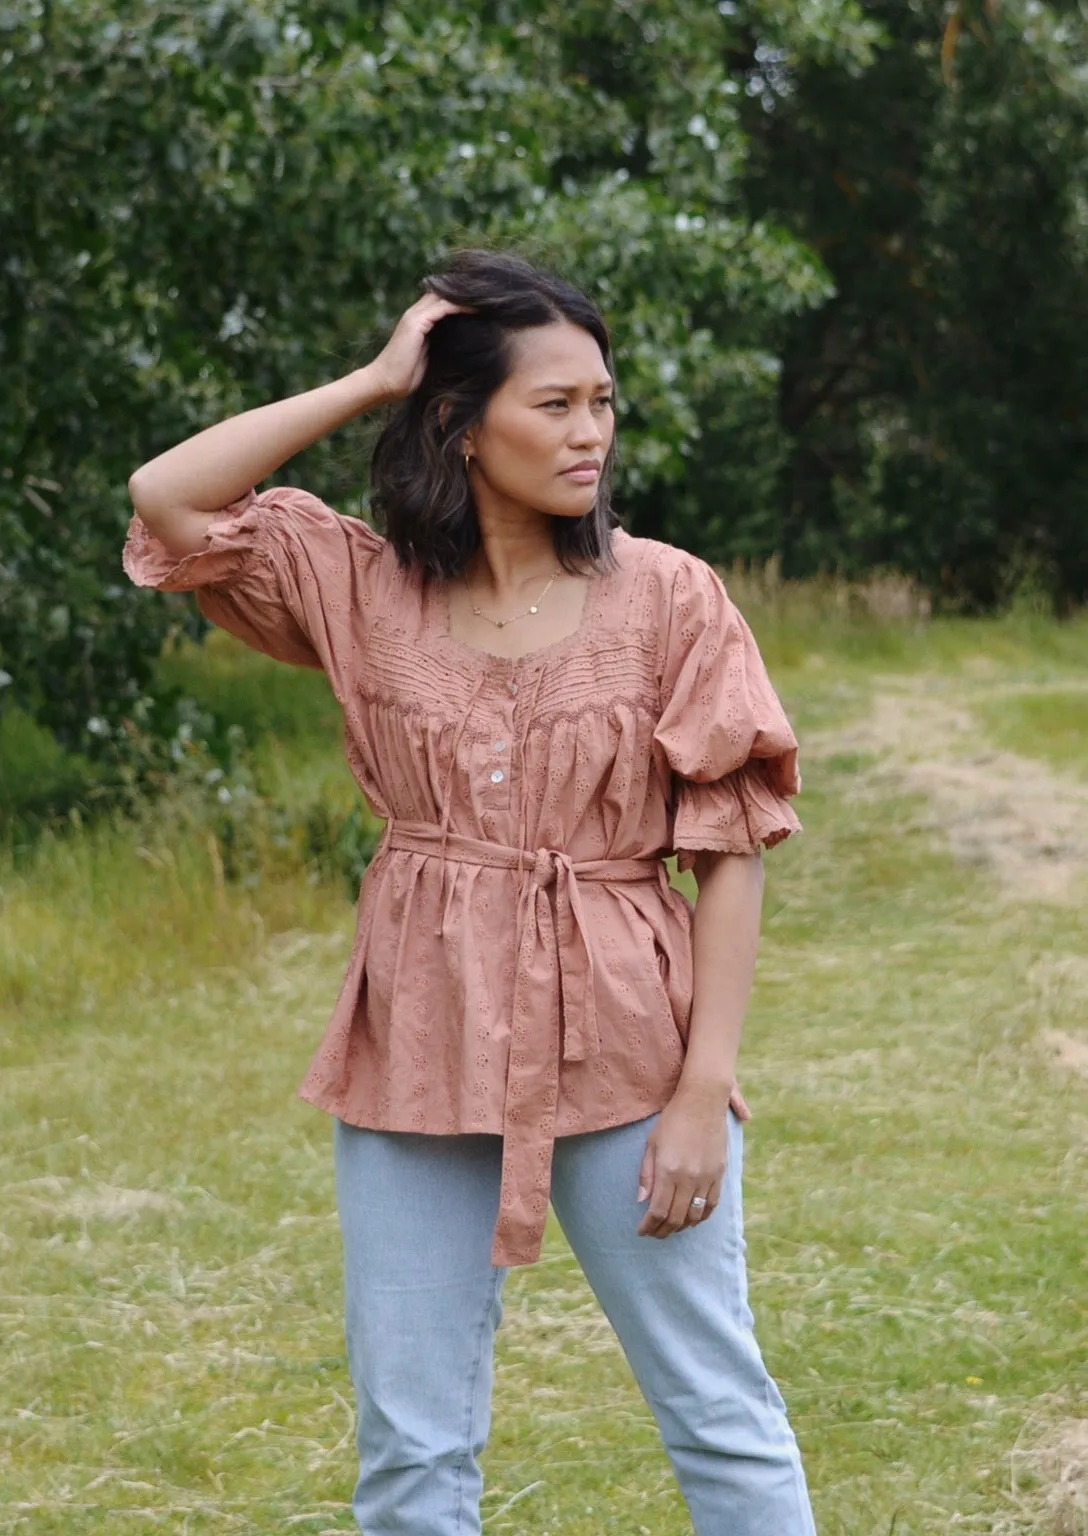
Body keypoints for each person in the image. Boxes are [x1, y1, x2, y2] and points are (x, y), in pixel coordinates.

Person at [123, 248, 816, 1535]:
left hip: (627, 1043)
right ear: (459, 422)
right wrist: (377, 375)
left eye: (602, 401)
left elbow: (729, 845)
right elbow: (167, 497)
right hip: (418, 1043)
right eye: (553, 404)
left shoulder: (668, 597)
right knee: (410, 1446)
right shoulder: (358, 587)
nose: (590, 432)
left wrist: (701, 1091)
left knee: (717, 1415)